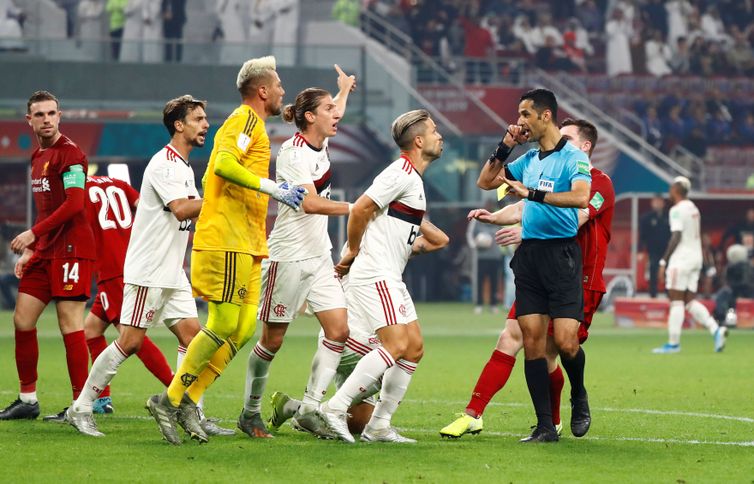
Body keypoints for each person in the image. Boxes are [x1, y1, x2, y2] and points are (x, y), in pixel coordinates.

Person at [147, 56, 306, 445]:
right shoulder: (244, 120)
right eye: (279, 85)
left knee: (244, 328)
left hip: (249, 241)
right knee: (221, 324)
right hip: (225, 238)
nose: (283, 91)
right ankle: (168, 400)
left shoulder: (258, 125)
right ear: (262, 90)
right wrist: (274, 189)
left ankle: (190, 399)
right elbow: (222, 163)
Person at [440, 118, 614, 440]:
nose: (558, 142)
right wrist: (494, 218)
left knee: (555, 349)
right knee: (512, 336)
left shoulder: (597, 181)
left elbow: (575, 217)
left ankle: (565, 410)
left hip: (579, 278)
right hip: (539, 269)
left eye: (567, 138)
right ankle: (473, 413)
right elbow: (521, 205)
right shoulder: (545, 168)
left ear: (585, 146)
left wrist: (525, 230)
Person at [65, 95, 208, 438]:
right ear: (179, 125)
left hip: (172, 270)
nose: (205, 125)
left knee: (194, 339)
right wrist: (224, 198)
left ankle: (191, 411)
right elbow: (181, 209)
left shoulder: (185, 167)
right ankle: (81, 408)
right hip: (149, 269)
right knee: (128, 342)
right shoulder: (164, 164)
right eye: (198, 119)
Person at [317, 109, 449, 444]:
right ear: (418, 141)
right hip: (375, 272)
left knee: (414, 348)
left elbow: (393, 225)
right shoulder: (400, 172)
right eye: (434, 130)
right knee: (396, 344)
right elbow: (361, 207)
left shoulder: (413, 181)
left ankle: (378, 425)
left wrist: (411, 244)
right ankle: (335, 407)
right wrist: (353, 251)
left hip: (390, 273)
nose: (439, 135)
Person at [240, 65, 357, 438]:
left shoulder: (320, 141)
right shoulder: (292, 153)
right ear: (310, 117)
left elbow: (334, 109)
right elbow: (309, 204)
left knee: (338, 331)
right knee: (272, 340)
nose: (336, 116)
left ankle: (308, 408)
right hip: (287, 257)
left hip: (319, 255)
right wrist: (358, 207)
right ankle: (250, 411)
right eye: (328, 111)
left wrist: (343, 90)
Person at [474, 89, 592, 443]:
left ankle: (579, 394)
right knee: (533, 342)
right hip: (529, 259)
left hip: (562, 256)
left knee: (568, 342)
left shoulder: (573, 157)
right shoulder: (529, 159)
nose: (520, 120)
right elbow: (486, 181)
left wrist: (532, 194)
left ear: (545, 116)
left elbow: (580, 197)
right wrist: (506, 143)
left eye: (525, 114)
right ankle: (544, 426)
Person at [0, 91, 96, 421]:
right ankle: (28, 400)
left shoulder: (70, 154)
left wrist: (32, 234)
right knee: (22, 319)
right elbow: (47, 210)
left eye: (51, 113)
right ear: (29, 120)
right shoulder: (37, 157)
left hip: (72, 249)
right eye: (39, 114)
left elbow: (73, 204)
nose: (46, 119)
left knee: (69, 324)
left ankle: (81, 407)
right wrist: (32, 250)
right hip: (47, 250)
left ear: (60, 115)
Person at [653, 177, 728, 354]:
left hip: (682, 259)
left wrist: (664, 261)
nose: (670, 190)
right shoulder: (693, 208)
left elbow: (676, 236)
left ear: (677, 189)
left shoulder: (677, 210)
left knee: (676, 301)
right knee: (688, 301)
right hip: (695, 258)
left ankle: (673, 343)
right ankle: (715, 329)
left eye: (672, 187)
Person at [640, 194, 670, 298]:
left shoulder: (669, 216)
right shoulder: (646, 218)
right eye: (656, 201)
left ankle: (668, 294)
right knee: (653, 270)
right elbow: (642, 235)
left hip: (667, 250)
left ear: (663, 203)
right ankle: (653, 295)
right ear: (652, 203)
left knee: (668, 271)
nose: (658, 204)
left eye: (660, 201)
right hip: (653, 250)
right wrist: (640, 250)